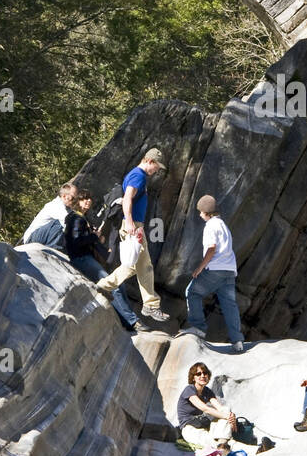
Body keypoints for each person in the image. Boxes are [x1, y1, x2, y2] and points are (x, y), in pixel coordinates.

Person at [95, 148, 170, 324]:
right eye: (157, 167)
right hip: (132, 225)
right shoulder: (139, 175)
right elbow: (128, 198)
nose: (156, 171)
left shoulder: (138, 175)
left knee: (144, 265)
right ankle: (104, 285)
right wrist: (129, 222)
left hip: (135, 225)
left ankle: (150, 304)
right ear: (149, 161)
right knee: (133, 265)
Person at [64, 187, 144, 331]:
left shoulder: (82, 218)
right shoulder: (76, 218)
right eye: (84, 198)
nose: (88, 201)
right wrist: (94, 236)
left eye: (89, 198)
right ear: (77, 202)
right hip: (81, 258)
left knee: (119, 283)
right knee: (112, 284)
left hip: (86, 257)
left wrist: (94, 236)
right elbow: (75, 241)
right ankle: (132, 322)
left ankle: (129, 320)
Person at [178, 195, 244, 352]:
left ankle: (198, 327)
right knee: (229, 305)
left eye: (201, 211)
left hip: (216, 269)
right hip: (229, 270)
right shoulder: (223, 225)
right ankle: (238, 341)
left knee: (192, 292)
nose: (200, 215)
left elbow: (211, 248)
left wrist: (200, 268)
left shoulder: (210, 226)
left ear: (207, 212)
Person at [176, 362, 238, 449]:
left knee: (226, 409)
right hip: (190, 428)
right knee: (210, 441)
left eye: (205, 373)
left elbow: (220, 408)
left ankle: (223, 443)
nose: (202, 376)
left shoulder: (207, 391)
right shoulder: (189, 389)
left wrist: (230, 416)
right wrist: (227, 417)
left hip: (203, 425)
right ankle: (222, 446)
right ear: (193, 378)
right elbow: (205, 408)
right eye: (198, 374)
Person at [21, 181, 76, 246]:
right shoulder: (55, 205)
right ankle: (53, 249)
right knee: (59, 224)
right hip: (31, 238)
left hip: (43, 237)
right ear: (64, 196)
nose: (75, 201)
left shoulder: (68, 209)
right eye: (73, 198)